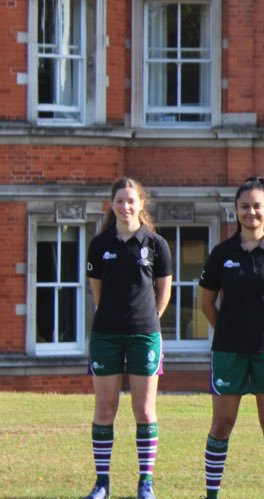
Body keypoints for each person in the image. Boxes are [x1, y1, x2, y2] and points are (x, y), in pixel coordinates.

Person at [198, 177, 264, 499]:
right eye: (244, 206)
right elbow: (206, 302)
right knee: (222, 424)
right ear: (235, 210)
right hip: (228, 351)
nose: (251, 212)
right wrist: (227, 330)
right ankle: (212, 494)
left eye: (257, 206)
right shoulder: (222, 253)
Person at [84, 177, 174, 499]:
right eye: (120, 200)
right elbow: (98, 294)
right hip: (106, 335)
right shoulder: (99, 244)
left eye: (131, 200)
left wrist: (148, 320)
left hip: (144, 336)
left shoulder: (156, 245)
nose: (126, 206)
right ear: (112, 205)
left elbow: (164, 292)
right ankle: (102, 482)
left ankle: (145, 482)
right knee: (105, 409)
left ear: (141, 204)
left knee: (144, 410)